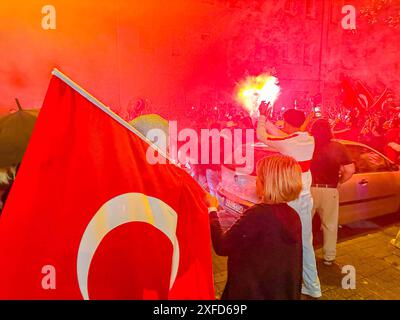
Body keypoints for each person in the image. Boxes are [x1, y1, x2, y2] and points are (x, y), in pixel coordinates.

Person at [206, 155, 303, 300]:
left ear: (268, 183)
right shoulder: (293, 215)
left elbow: (222, 246)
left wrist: (212, 210)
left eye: (259, 177)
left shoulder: (258, 214)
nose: (256, 181)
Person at [256, 102, 321, 298]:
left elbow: (263, 136)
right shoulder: (308, 139)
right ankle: (313, 286)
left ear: (287, 122)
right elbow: (285, 135)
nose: (282, 124)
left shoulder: (288, 142)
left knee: (279, 242)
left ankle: (278, 283)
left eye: (283, 122)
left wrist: (261, 118)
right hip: (305, 198)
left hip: (289, 199)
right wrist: (267, 121)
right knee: (306, 244)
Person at [310, 119, 355, 265]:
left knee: (304, 223)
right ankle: (329, 257)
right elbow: (350, 170)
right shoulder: (337, 147)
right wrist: (340, 182)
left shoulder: (308, 145)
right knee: (330, 225)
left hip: (308, 189)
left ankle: (303, 253)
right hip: (329, 190)